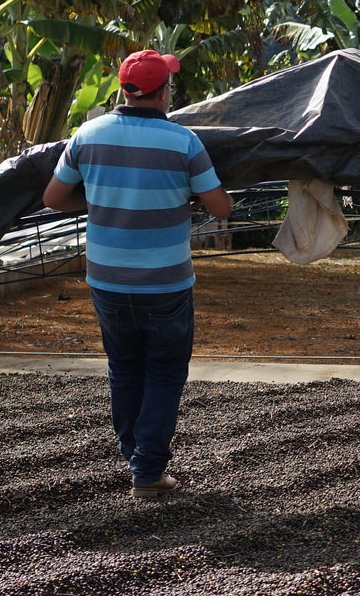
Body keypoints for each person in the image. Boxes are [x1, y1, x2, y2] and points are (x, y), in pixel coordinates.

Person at [43, 49, 233, 499]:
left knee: (124, 368)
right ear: (164, 91)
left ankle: (136, 456)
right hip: (165, 283)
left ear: (124, 88)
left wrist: (98, 203)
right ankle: (147, 471)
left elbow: (53, 197)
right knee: (165, 372)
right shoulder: (184, 142)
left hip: (107, 281)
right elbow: (220, 207)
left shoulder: (87, 135)